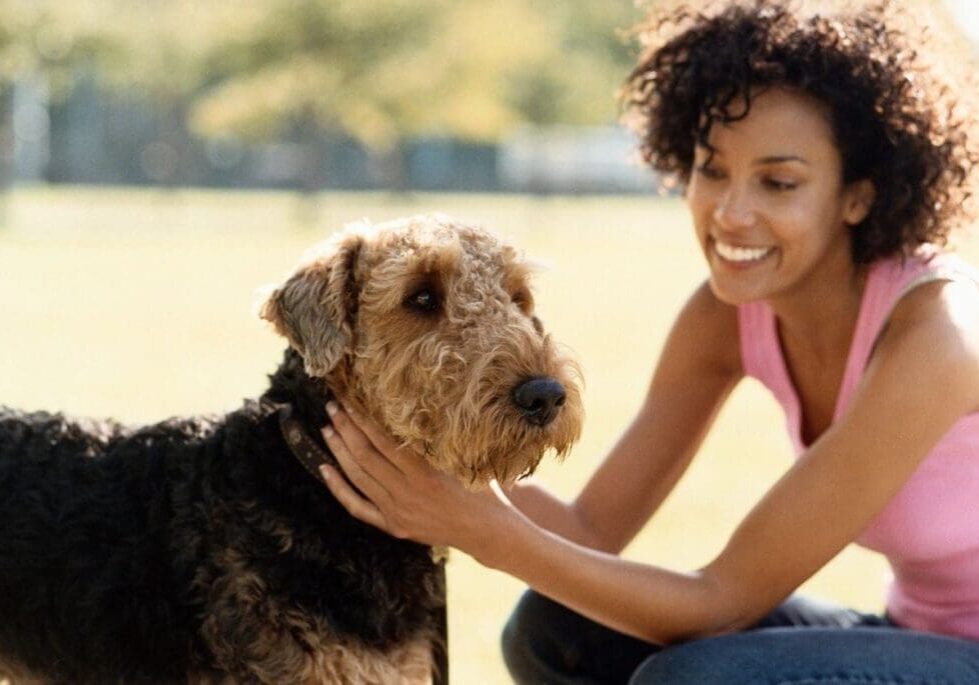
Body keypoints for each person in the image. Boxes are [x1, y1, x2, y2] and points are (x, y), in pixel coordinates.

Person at [318, 1, 979, 682]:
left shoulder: (939, 335)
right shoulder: (728, 313)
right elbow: (588, 533)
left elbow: (719, 605)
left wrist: (479, 527)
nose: (730, 211)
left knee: (692, 677)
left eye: (778, 182)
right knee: (557, 629)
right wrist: (393, 454)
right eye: (711, 168)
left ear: (858, 197)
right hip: (915, 633)